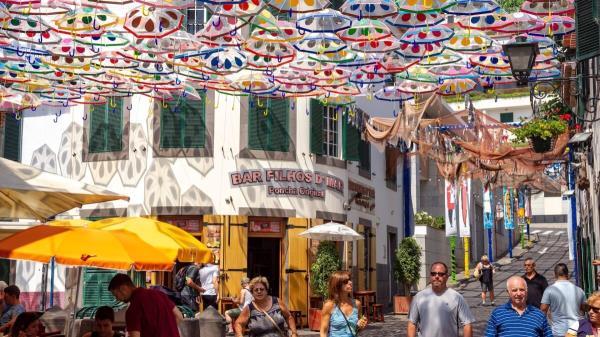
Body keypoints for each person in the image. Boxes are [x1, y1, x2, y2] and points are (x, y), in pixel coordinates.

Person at [407, 262, 475, 337]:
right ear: (430, 276)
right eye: (433, 274)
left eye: (440, 274)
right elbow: (412, 324)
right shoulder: (419, 297)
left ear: (446, 276)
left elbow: (467, 325)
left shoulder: (457, 297)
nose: (436, 276)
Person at [108, 273, 182, 337]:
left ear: (123, 288)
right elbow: (179, 316)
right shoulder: (160, 294)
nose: (117, 299)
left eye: (116, 295)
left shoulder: (133, 309)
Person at [485, 276, 553, 337]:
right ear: (508, 292)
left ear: (526, 291)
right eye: (514, 290)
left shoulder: (539, 315)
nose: (518, 293)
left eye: (522, 290)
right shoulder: (498, 313)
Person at [234, 276, 298, 337]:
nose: (259, 291)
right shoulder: (249, 308)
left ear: (266, 291)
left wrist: (294, 333)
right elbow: (238, 324)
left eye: (261, 289)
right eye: (256, 290)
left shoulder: (277, 301)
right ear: (252, 293)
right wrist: (240, 335)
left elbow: (289, 317)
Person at [540, 263, 586, 337]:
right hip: (577, 331)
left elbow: (543, 310)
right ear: (567, 274)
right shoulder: (579, 290)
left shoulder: (549, 290)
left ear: (555, 274)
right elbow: (584, 309)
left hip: (559, 331)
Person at [319, 271, 368, 337]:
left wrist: (360, 326)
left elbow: (355, 330)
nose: (350, 283)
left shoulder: (357, 304)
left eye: (350, 280)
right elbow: (323, 333)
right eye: (346, 282)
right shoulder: (329, 306)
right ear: (337, 285)